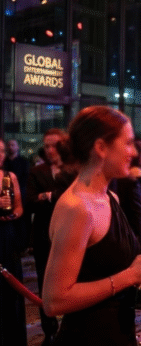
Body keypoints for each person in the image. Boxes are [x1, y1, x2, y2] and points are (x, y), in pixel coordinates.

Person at [42, 106, 141, 345]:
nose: (134, 152)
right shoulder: (77, 208)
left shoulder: (111, 198)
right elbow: (54, 301)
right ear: (101, 147)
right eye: (128, 143)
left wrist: (138, 285)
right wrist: (130, 276)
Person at [25, 128, 67, 345]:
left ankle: (70, 328)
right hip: (43, 233)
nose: (50, 150)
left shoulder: (73, 169)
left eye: (55, 145)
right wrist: (46, 196)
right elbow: (30, 200)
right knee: (44, 283)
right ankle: (49, 330)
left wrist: (51, 196)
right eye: (47, 146)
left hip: (69, 232)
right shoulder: (37, 171)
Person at [0, 139, 27, 346]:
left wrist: (12, 214)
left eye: (2, 151)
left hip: (6, 235)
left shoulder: (10, 177)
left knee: (10, 290)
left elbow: (19, 208)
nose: (0, 154)